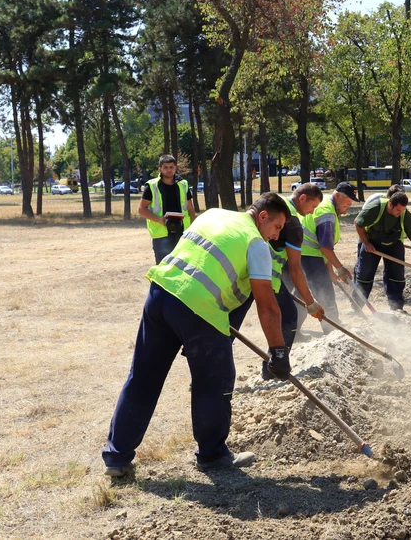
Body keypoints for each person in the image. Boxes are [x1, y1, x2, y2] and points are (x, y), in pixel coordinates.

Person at [101, 193, 291, 477]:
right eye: (276, 227)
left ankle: (116, 457)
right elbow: (268, 307)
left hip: (161, 293)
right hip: (199, 308)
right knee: (214, 382)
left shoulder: (213, 214)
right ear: (263, 216)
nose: (276, 236)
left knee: (143, 377)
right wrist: (278, 352)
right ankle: (212, 455)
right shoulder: (256, 243)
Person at [263, 183, 326, 379]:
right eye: (313, 206)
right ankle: (273, 369)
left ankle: (209, 365)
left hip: (251, 270)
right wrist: (310, 303)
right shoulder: (293, 223)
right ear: (303, 198)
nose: (312, 212)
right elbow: (295, 268)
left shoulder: (277, 205)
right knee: (289, 317)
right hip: (266, 274)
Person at [353, 189, 411, 312]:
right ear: (390, 204)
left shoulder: (405, 215)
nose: (400, 213)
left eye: (402, 210)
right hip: (372, 243)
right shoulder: (375, 208)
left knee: (396, 276)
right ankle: (356, 307)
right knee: (364, 275)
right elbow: (358, 223)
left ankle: (396, 307)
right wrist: (366, 242)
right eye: (398, 210)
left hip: (394, 244)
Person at [299, 182, 358, 332]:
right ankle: (332, 328)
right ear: (337, 195)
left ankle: (293, 328)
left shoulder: (326, 203)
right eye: (347, 201)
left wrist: (330, 271)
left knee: (301, 292)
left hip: (306, 252)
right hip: (309, 254)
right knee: (324, 292)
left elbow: (324, 246)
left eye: (351, 201)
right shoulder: (327, 214)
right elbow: (325, 247)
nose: (349, 204)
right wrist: (340, 269)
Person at [138, 155, 197, 264]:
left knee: (183, 266)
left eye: (171, 167)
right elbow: (141, 209)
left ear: (175, 168)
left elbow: (190, 208)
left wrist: (194, 229)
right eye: (165, 167)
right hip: (162, 234)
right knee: (163, 266)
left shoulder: (183, 184)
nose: (169, 170)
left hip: (182, 233)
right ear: (160, 169)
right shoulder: (152, 186)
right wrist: (160, 219)